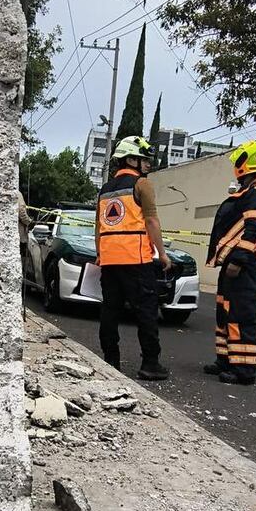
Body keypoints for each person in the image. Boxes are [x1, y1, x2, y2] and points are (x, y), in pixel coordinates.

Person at [95, 136, 172, 380]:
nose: (148, 164)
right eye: (144, 160)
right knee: (146, 311)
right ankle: (150, 363)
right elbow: (151, 220)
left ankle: (110, 361)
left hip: (109, 260)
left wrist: (100, 254)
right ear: (131, 160)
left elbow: (98, 228)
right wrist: (162, 253)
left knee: (110, 311)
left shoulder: (105, 190)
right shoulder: (142, 184)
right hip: (136, 259)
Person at [203, 140, 256, 385]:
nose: (236, 165)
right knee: (224, 312)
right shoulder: (249, 190)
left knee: (240, 315)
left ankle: (244, 370)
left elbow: (255, 229)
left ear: (249, 161)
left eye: (239, 160)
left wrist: (239, 259)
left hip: (243, 264)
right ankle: (225, 360)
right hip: (234, 263)